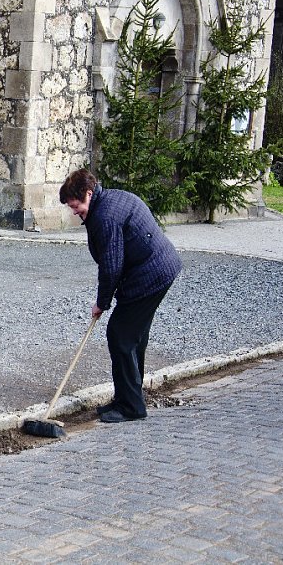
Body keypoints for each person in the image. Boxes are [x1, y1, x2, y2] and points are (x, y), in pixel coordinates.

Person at [59, 169, 182, 423]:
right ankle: (129, 396)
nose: (75, 211)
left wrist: (101, 302)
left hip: (150, 275)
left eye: (77, 205)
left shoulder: (105, 217)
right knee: (134, 336)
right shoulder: (113, 199)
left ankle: (131, 407)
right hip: (160, 268)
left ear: (89, 194)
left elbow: (111, 265)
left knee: (121, 335)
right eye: (72, 207)